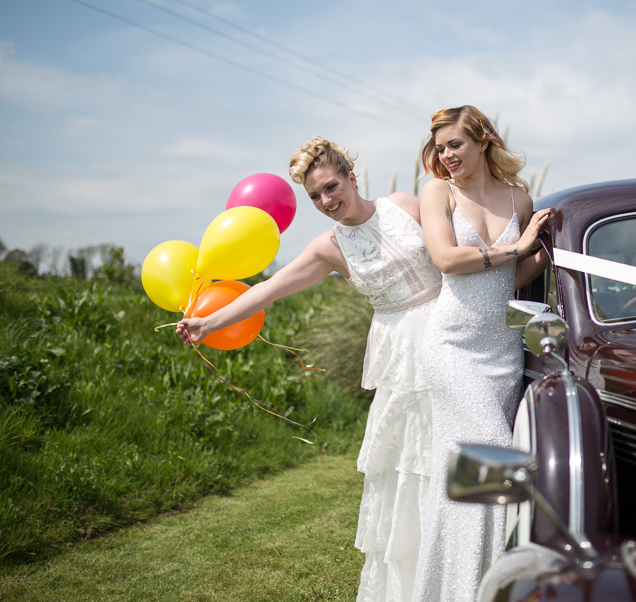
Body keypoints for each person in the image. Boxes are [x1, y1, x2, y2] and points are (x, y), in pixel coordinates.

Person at [176, 137, 439, 602]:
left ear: (352, 177)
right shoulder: (329, 247)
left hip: (449, 332)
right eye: (314, 196)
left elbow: (455, 246)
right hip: (401, 356)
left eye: (331, 187)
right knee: (410, 465)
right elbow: (269, 290)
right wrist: (209, 322)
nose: (325, 201)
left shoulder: (404, 205)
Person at [411, 106, 549, 602]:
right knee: (493, 454)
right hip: (453, 348)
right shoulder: (437, 191)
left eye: (456, 145)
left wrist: (542, 250)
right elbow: (448, 260)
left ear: (484, 140)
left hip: (503, 351)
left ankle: (459, 589)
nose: (447, 156)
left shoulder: (520, 197)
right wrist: (520, 246)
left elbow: (510, 280)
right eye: (440, 147)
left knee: (469, 475)